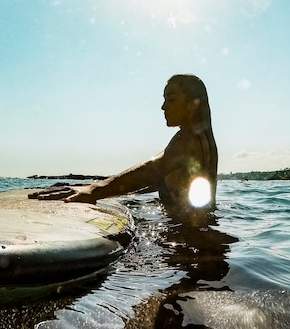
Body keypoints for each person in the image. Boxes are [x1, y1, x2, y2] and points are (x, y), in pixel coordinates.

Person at [29, 74, 218, 226]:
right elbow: (157, 177)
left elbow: (151, 171)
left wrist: (94, 190)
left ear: (194, 103)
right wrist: (102, 190)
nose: (163, 107)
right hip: (200, 230)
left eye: (171, 99)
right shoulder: (203, 140)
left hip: (187, 240)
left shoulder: (186, 140)